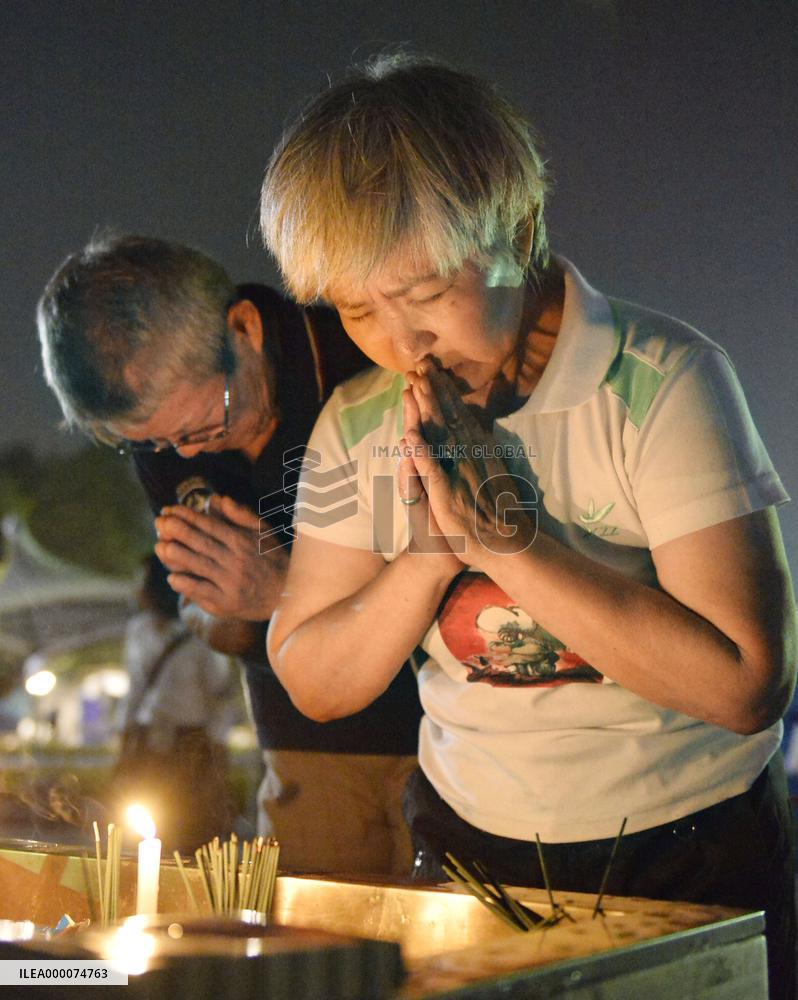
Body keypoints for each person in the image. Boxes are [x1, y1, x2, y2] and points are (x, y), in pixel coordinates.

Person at [260, 55, 797, 998]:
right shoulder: (357, 420)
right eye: (356, 309)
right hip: (472, 848)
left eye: (428, 294)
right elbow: (312, 678)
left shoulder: (662, 380)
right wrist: (429, 556)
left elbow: (748, 683)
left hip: (690, 847)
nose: (402, 344)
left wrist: (507, 542)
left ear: (518, 228)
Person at [36, 234, 423, 874]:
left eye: (203, 426)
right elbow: (197, 609)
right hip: (301, 744)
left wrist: (287, 592)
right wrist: (231, 607)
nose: (188, 456)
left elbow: (453, 557)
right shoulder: (164, 438)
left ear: (244, 327)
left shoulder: (361, 355)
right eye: (155, 445)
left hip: (438, 727)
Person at [115, 553, 237, 852]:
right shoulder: (139, 630)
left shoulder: (200, 629)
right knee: (146, 818)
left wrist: (215, 744)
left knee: (188, 824)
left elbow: (219, 694)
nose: (137, 589)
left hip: (189, 744)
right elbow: (135, 688)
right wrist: (126, 734)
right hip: (148, 741)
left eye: (143, 582)